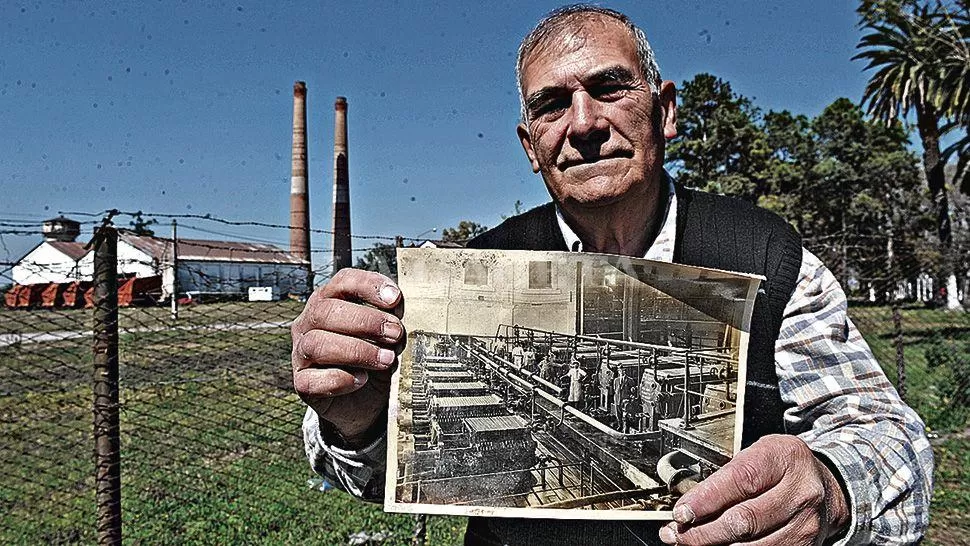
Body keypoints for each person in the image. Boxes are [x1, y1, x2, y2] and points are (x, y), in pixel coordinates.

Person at [293, 5, 932, 545]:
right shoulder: (467, 274)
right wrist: (356, 420)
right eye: (551, 105)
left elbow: (891, 439)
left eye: (609, 88)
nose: (584, 124)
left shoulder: (766, 256)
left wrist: (830, 485)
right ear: (529, 145)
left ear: (666, 112)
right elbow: (376, 475)